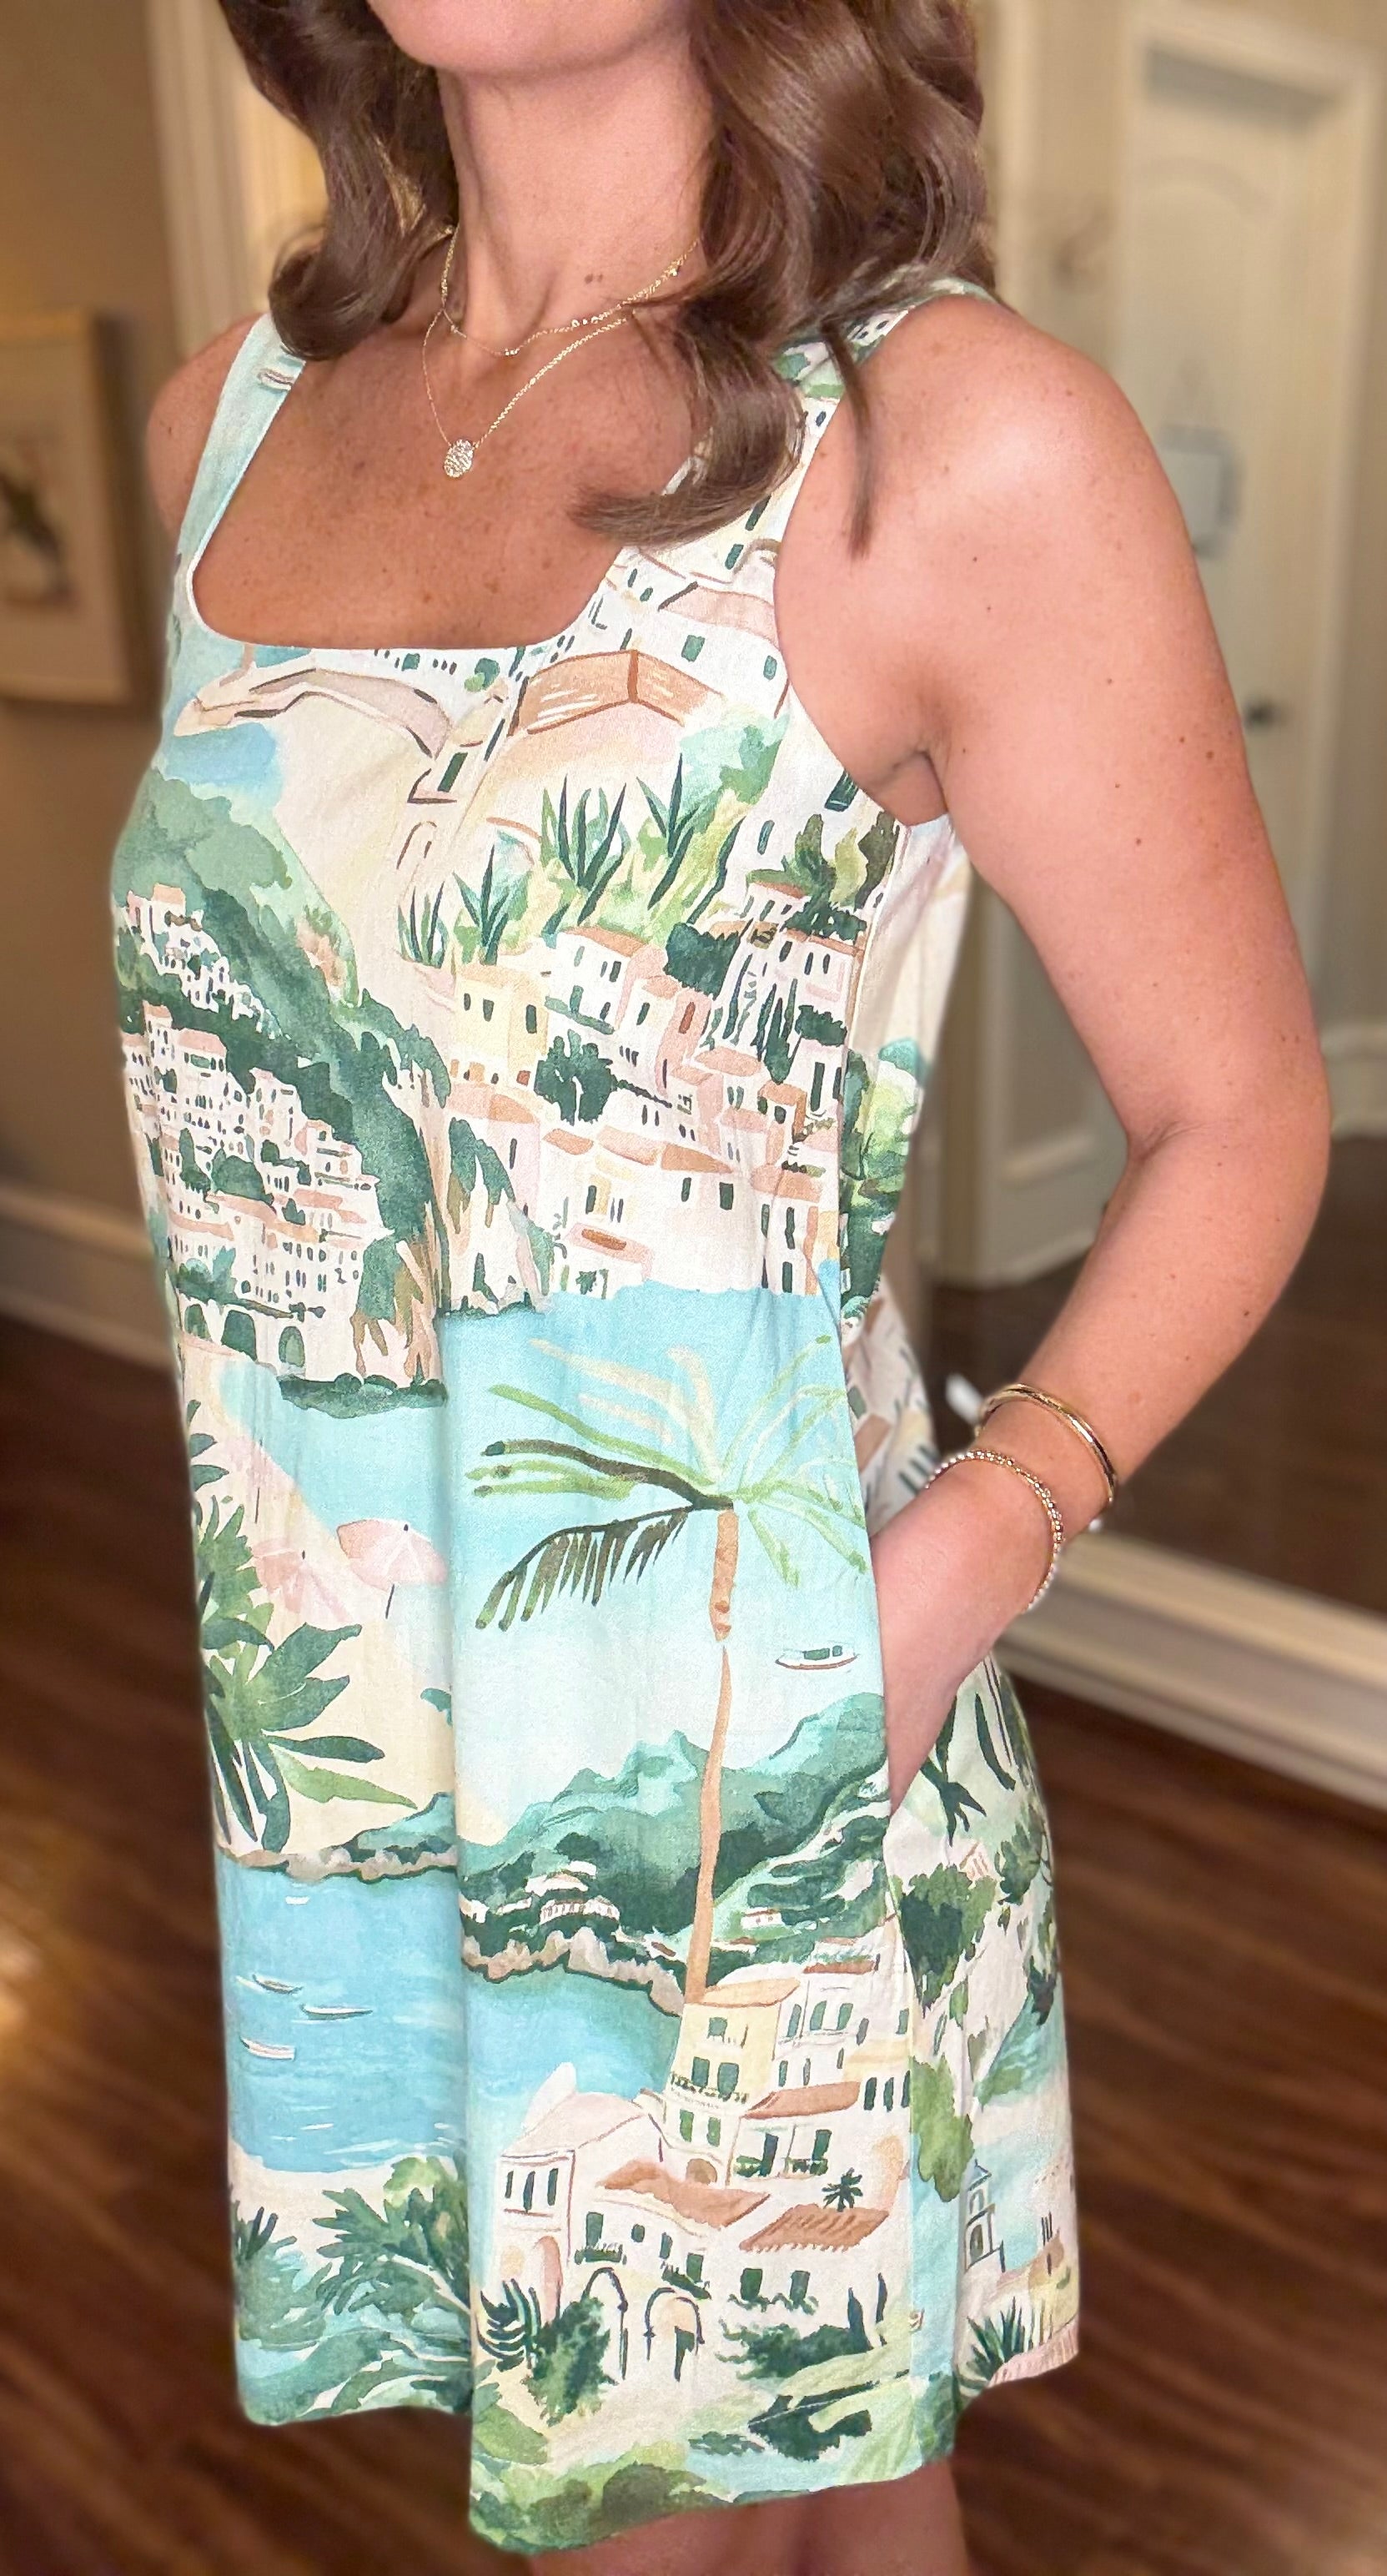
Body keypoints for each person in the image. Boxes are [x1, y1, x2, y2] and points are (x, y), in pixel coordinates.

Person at [114, 2, 1329, 2568]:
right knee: (824, 2492)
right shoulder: (226, 419)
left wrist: (945, 1583)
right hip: (355, 1758)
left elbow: (1243, 1119)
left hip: (737, 1752)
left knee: (693, 2504)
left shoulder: (943, 443)